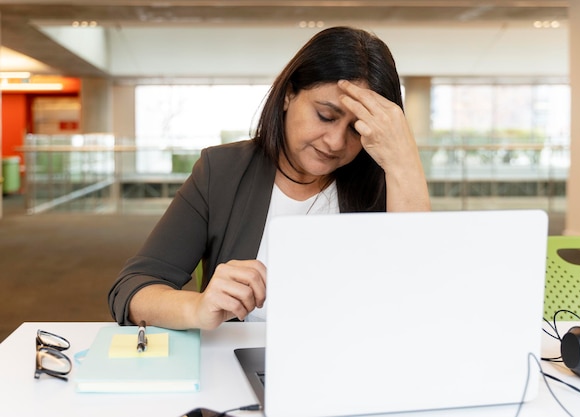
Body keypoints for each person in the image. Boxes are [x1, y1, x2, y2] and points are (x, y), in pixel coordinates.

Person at [108, 26, 431, 330]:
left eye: (356, 128)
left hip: (351, 368)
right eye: (326, 115)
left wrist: (405, 164)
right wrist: (198, 307)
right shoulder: (223, 170)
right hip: (239, 370)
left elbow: (422, 299)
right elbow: (134, 289)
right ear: (289, 94)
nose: (335, 142)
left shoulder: (388, 186)